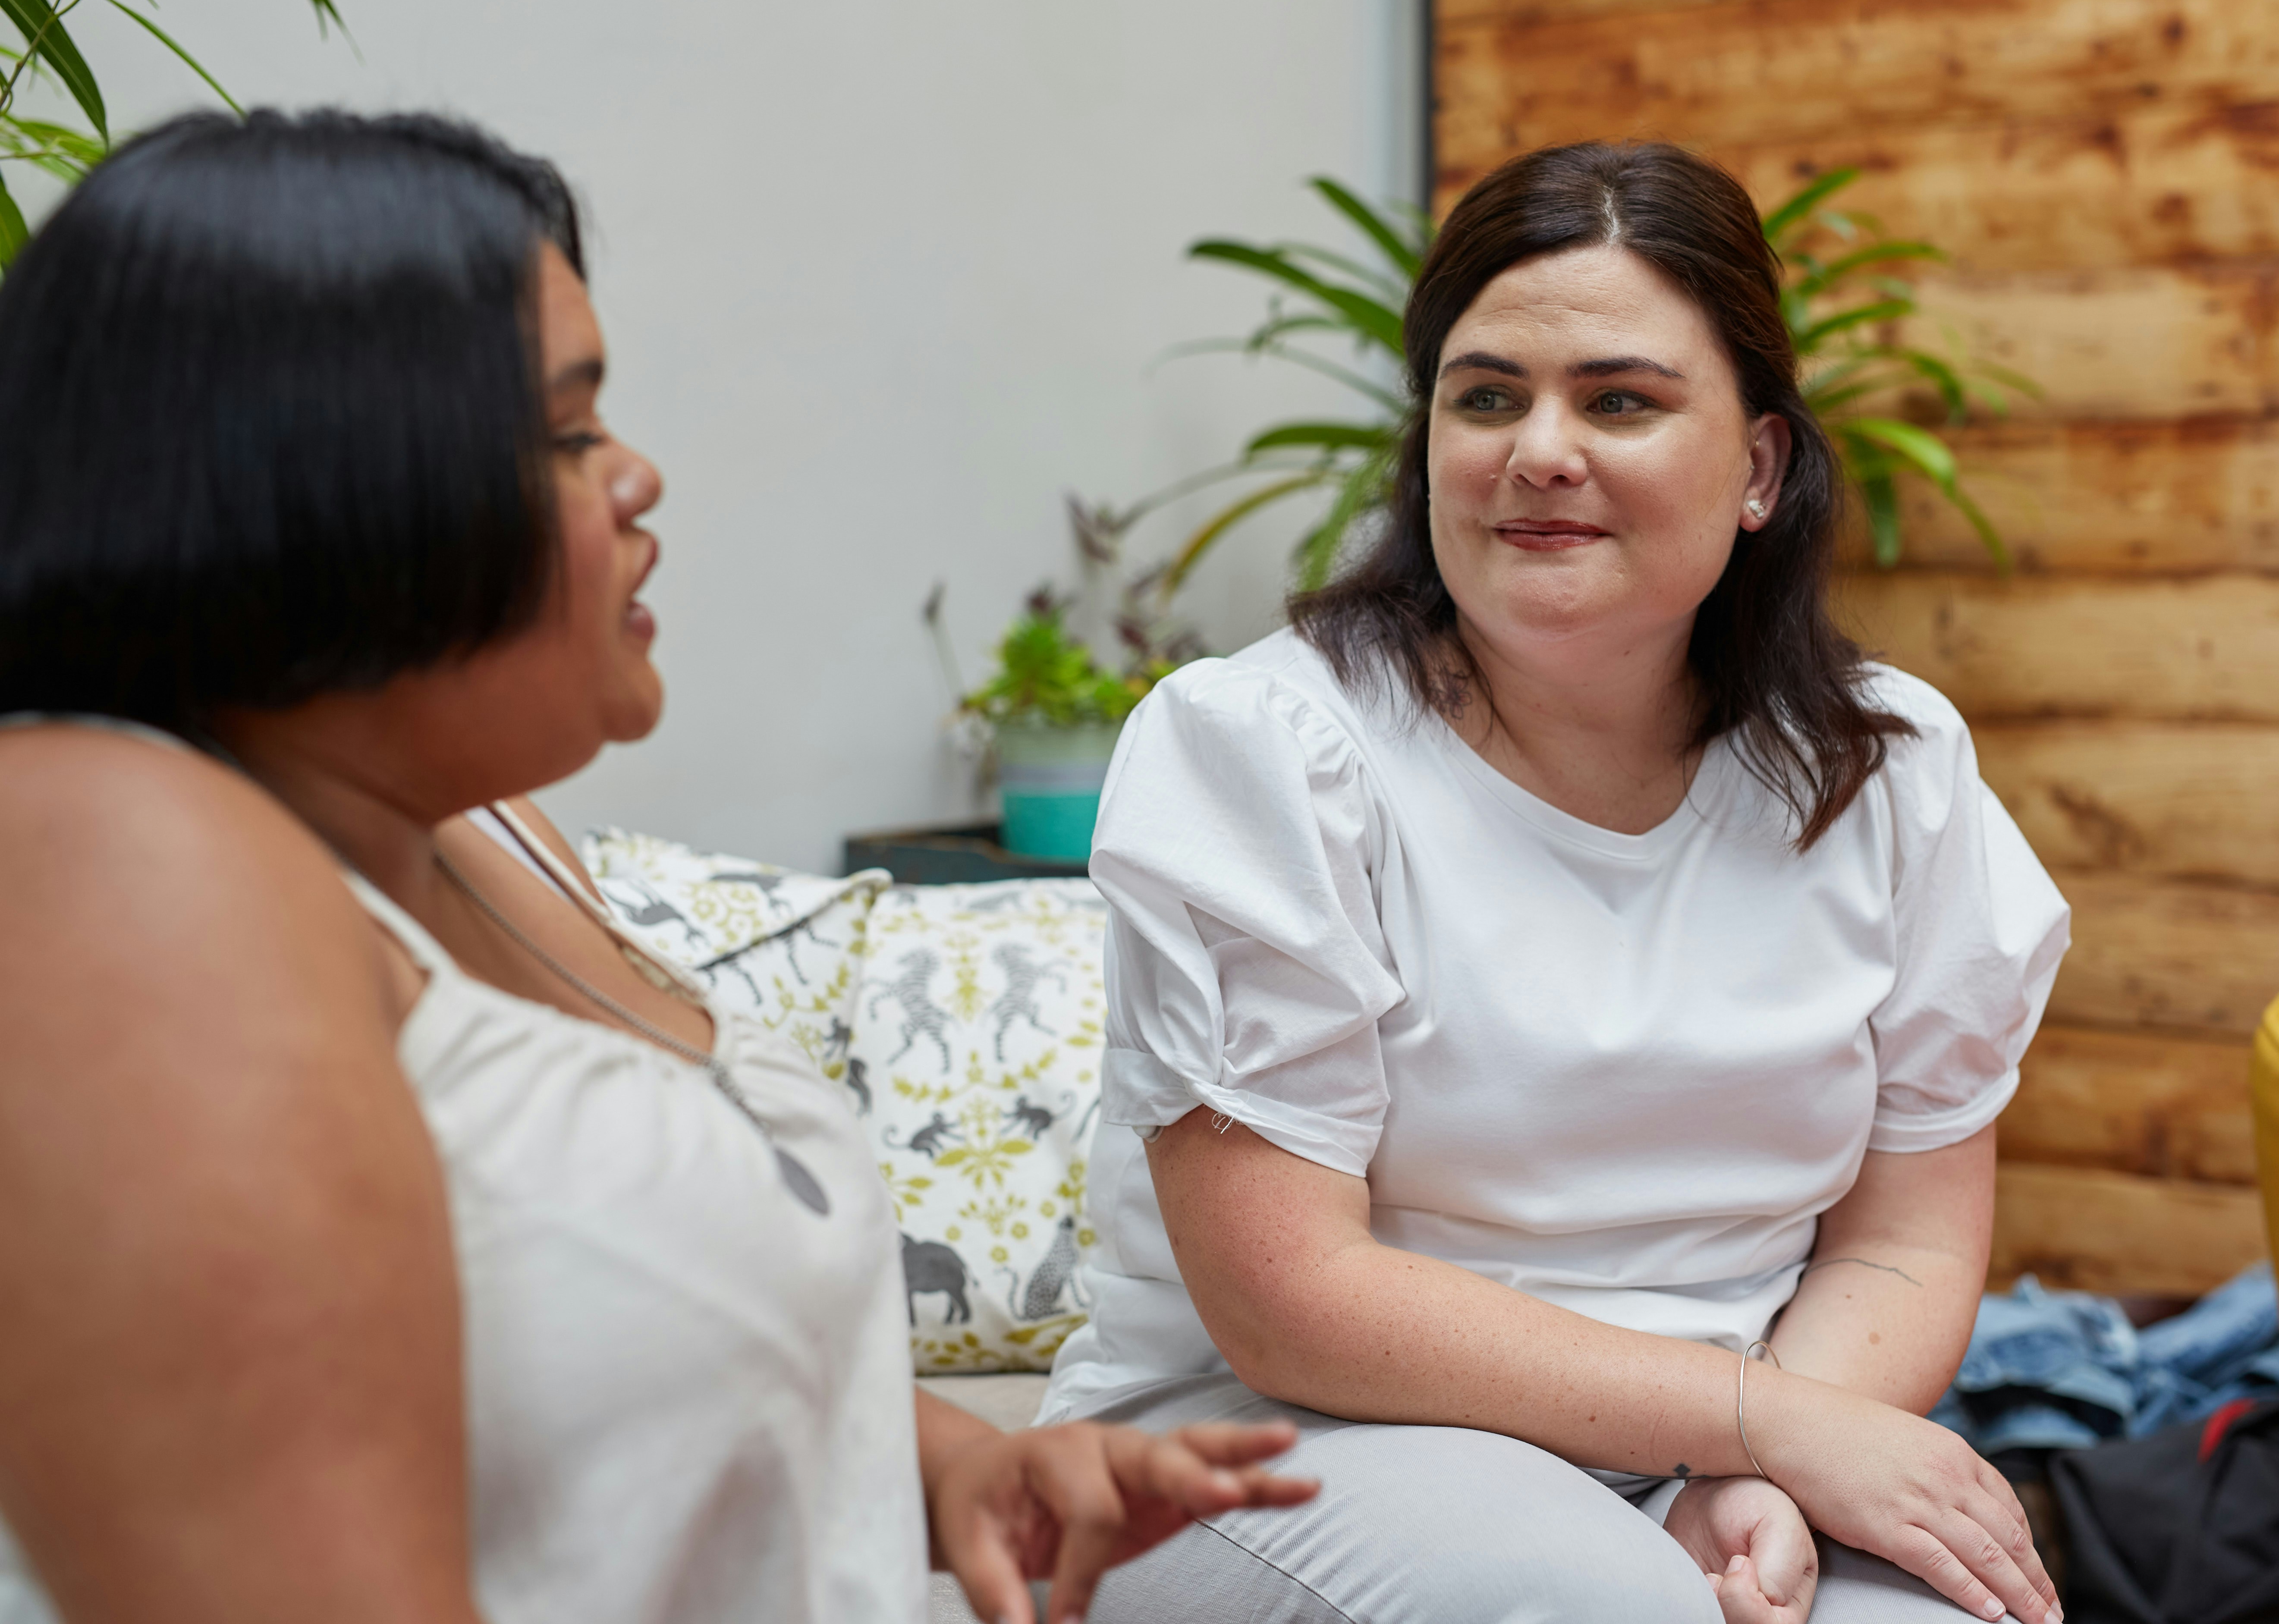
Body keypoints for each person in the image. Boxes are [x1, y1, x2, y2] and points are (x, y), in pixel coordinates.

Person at [0, 110, 1314, 1624]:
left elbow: (590, 1343)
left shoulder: (487, 835)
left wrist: (954, 1472)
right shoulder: (116, 859)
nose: (638, 480)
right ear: (315, 475)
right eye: (565, 434)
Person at [1037, 140, 2074, 1624]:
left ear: (1761, 468)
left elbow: (1905, 1238)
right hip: (1273, 1443)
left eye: (1621, 400)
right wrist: (1755, 1425)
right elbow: (1290, 1301)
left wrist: (1765, 1470)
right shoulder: (1264, 748)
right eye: (1486, 396)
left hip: (1725, 1442)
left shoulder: (1895, 770)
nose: (1538, 450)